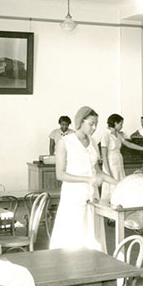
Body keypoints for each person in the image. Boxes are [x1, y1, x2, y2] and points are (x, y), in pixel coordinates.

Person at [50, 106, 117, 252]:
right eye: (91, 124)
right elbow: (60, 174)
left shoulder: (93, 143)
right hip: (73, 194)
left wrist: (117, 183)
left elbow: (98, 172)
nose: (94, 128)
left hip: (92, 195)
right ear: (80, 122)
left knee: (92, 234)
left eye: (96, 125)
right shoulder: (65, 142)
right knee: (75, 236)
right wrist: (88, 180)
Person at [100, 113, 143, 201]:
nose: (122, 126)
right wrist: (107, 172)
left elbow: (128, 144)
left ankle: (119, 203)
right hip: (110, 164)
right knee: (111, 186)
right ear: (115, 123)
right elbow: (104, 155)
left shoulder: (118, 135)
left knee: (120, 184)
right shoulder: (106, 135)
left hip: (118, 163)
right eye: (120, 124)